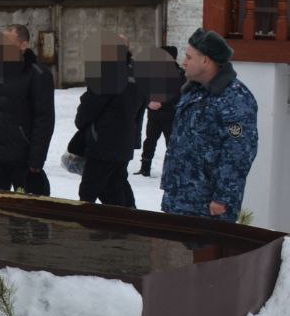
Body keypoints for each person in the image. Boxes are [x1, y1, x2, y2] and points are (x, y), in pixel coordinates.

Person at [160, 29, 259, 222]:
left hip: (207, 208)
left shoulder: (234, 99)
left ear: (205, 60)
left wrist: (222, 198)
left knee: (205, 253)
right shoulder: (193, 91)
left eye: (189, 57)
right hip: (179, 200)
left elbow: (239, 152)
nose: (183, 62)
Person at [69, 34, 143, 207]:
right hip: (124, 143)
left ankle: (93, 227)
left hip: (102, 143)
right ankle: (129, 223)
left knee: (89, 191)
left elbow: (89, 108)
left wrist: (81, 122)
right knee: (117, 185)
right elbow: (139, 113)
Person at [0, 24, 55, 195]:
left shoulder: (38, 73)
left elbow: (44, 119)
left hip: (23, 159)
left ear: (23, 45)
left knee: (27, 212)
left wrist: (36, 158)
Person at [137, 45, 185, 177]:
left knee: (171, 144)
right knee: (149, 141)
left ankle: (171, 171)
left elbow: (179, 95)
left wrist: (162, 102)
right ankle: (145, 168)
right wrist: (149, 102)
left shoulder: (181, 75)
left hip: (171, 116)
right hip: (154, 115)